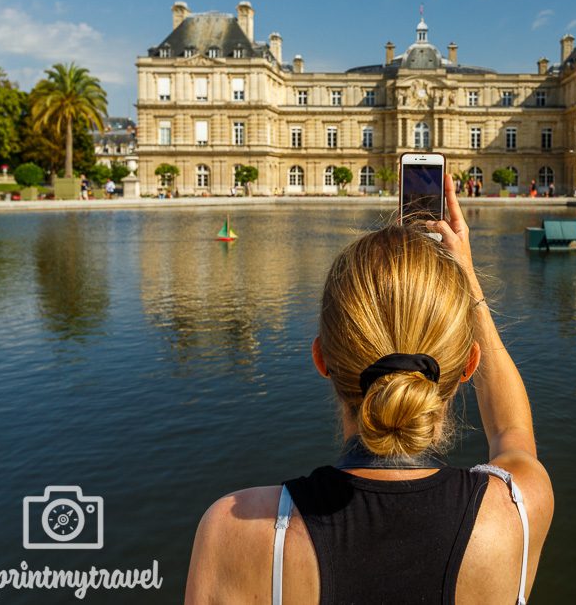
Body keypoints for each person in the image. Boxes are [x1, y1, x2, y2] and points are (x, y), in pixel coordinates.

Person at [185, 177, 553, 604]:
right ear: (470, 363)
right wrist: (466, 279)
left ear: (322, 358)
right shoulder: (515, 515)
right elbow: (511, 430)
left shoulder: (234, 532)